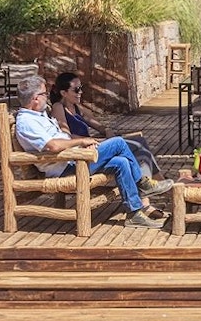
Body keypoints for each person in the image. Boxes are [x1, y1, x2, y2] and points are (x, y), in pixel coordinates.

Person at [12, 76, 173, 229]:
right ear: (35, 98)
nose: (47, 96)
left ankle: (134, 213)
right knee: (119, 143)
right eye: (44, 94)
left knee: (122, 162)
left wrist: (83, 145)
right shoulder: (27, 122)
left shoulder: (39, 116)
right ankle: (142, 183)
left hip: (75, 158)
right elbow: (53, 146)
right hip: (67, 168)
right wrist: (81, 142)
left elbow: (65, 137)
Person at [48, 71, 160, 182]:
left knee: (139, 143)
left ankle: (151, 185)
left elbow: (96, 124)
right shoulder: (58, 107)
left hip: (92, 146)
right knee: (137, 144)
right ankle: (152, 184)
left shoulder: (76, 107)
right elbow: (66, 136)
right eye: (76, 90)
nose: (80, 92)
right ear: (63, 93)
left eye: (81, 88)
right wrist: (88, 140)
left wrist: (107, 130)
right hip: (82, 152)